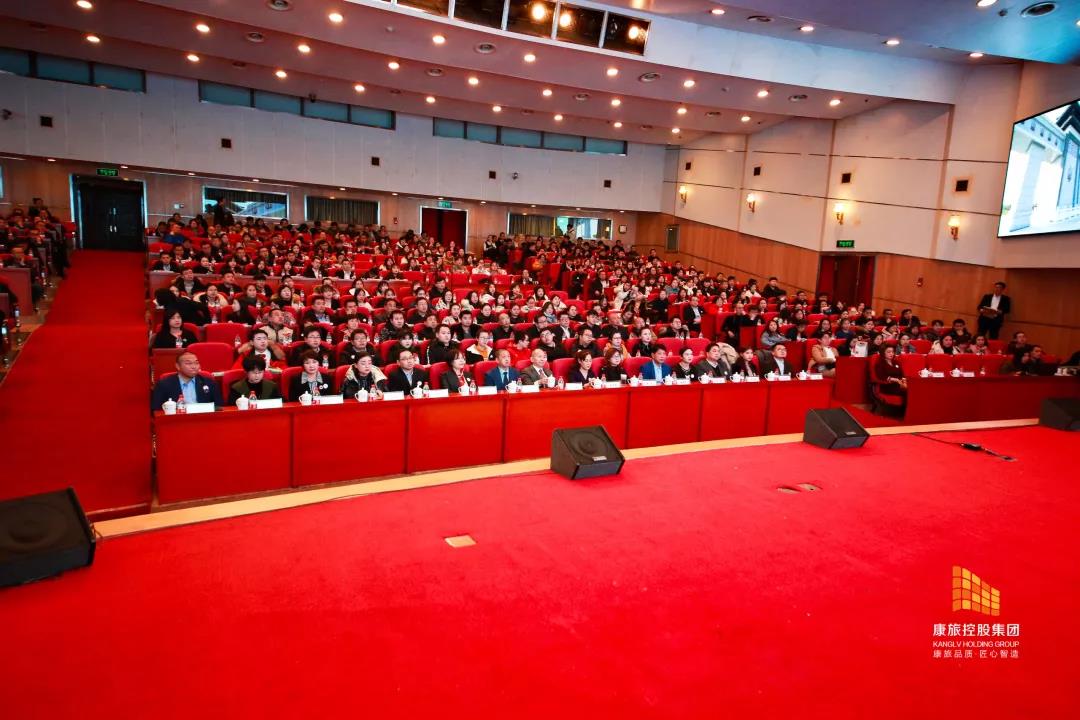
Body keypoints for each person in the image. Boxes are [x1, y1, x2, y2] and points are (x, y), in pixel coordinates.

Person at [151, 351, 223, 411]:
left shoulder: (209, 383)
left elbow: (219, 407)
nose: (194, 367)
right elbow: (157, 410)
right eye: (188, 363)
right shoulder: (164, 385)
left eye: (196, 363)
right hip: (177, 420)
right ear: (178, 366)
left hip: (204, 419)